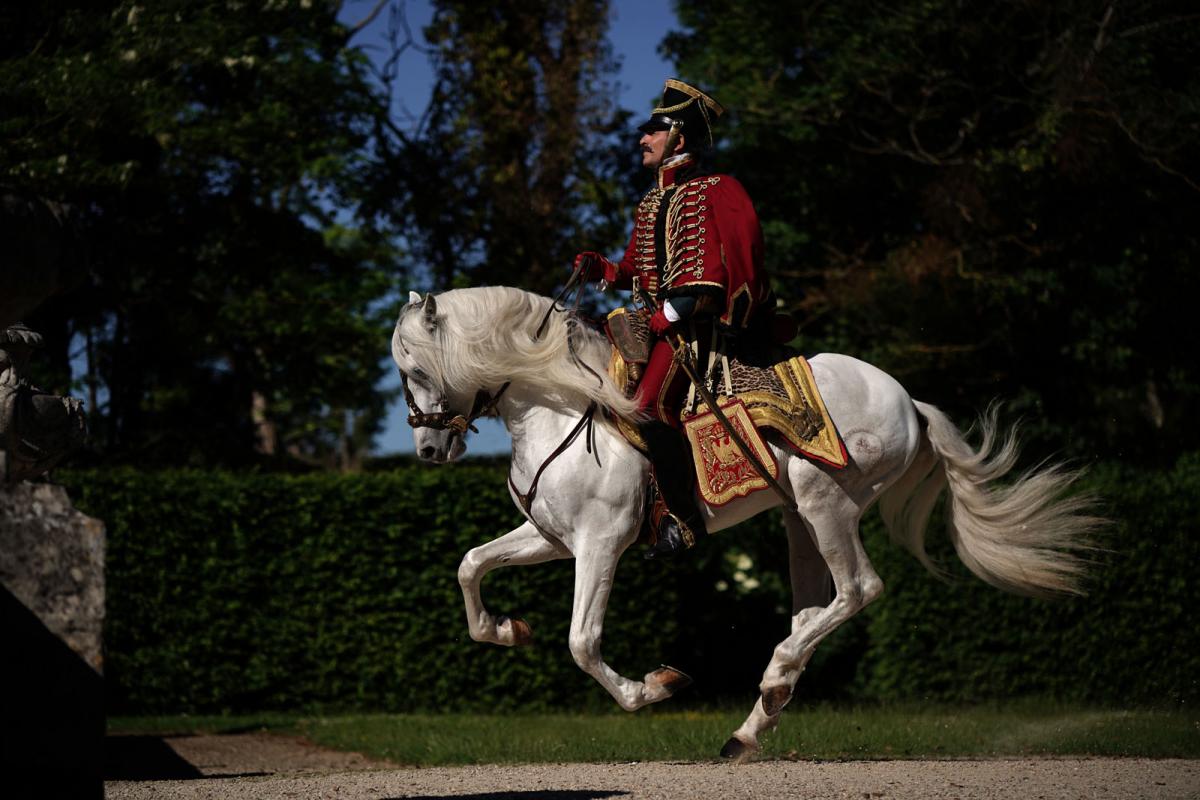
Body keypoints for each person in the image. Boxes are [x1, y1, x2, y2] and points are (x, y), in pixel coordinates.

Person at [575, 79, 771, 559]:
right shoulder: (649, 201)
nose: (642, 139)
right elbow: (636, 270)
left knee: (645, 406)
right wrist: (603, 269)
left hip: (695, 331)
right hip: (654, 321)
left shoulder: (715, 190)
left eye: (652, 132)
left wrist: (668, 311)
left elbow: (712, 275)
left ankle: (683, 522)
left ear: (678, 139)